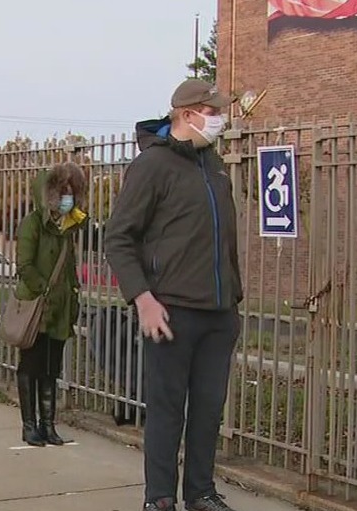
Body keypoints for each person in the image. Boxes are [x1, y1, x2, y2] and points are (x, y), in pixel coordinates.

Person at [103, 79, 243, 511]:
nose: (220, 118)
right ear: (186, 114)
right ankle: (160, 496)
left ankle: (200, 491)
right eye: (213, 110)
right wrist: (142, 298)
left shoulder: (213, 164)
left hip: (219, 311)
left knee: (207, 410)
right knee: (167, 410)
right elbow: (119, 237)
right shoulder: (153, 166)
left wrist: (234, 295)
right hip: (170, 310)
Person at [13, 163, 87, 447]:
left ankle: (48, 424)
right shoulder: (33, 222)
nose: (67, 199)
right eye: (62, 193)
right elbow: (25, 265)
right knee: (30, 365)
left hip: (60, 308)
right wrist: (44, 289)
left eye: (72, 193)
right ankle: (29, 424)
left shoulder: (67, 227)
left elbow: (69, 267)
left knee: (51, 368)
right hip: (36, 306)